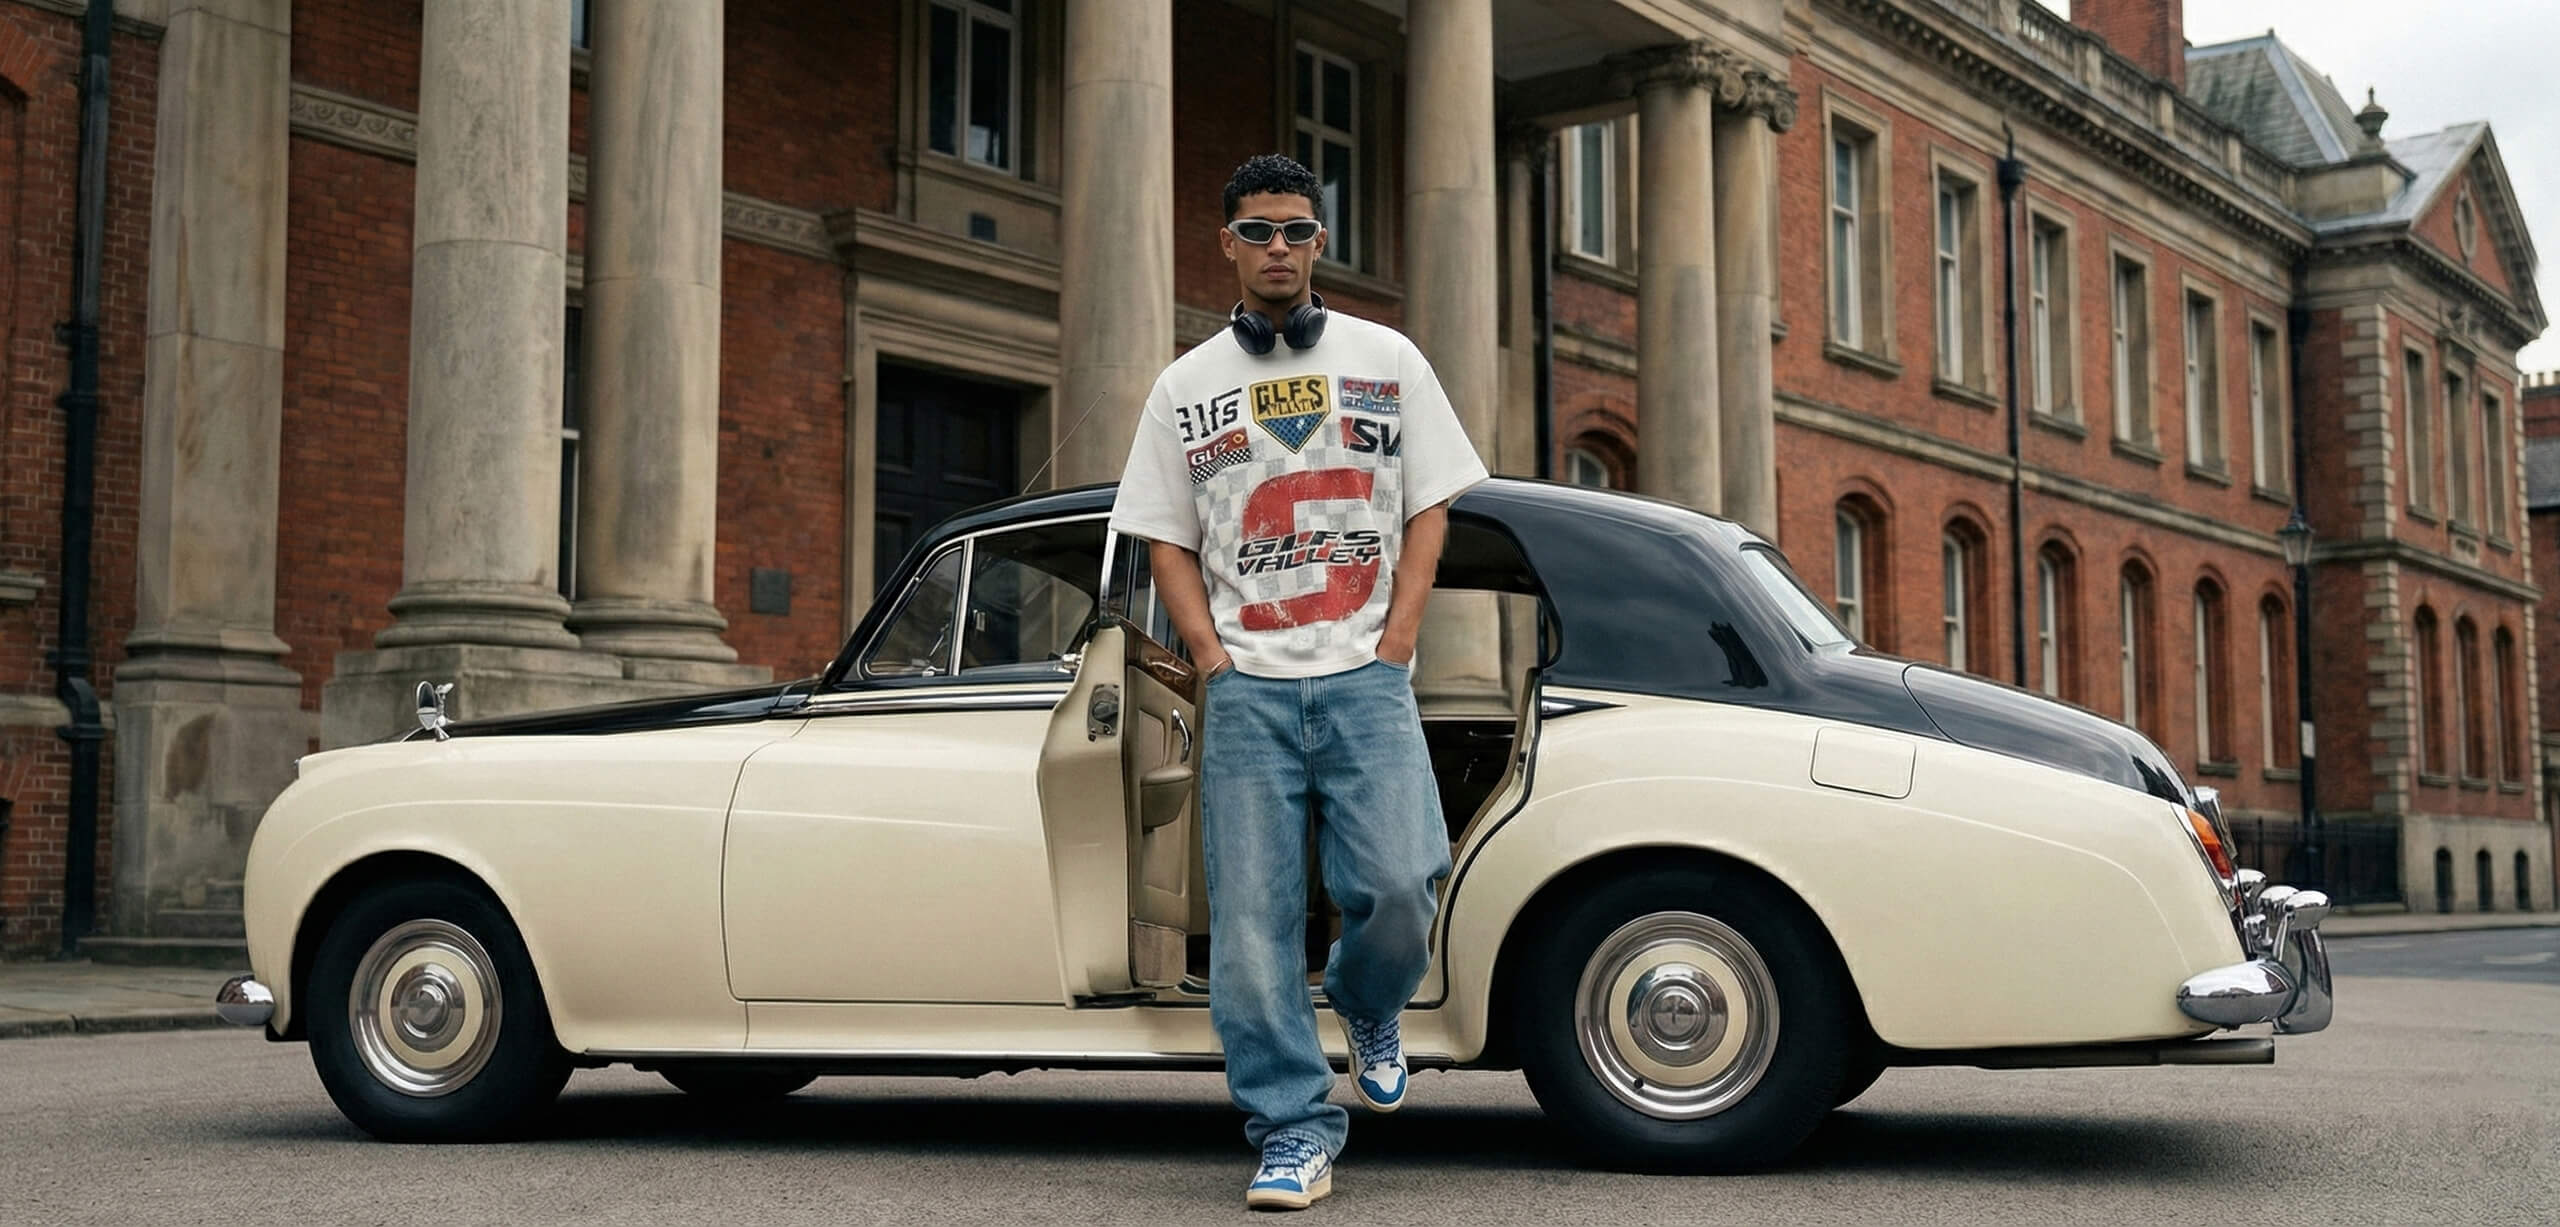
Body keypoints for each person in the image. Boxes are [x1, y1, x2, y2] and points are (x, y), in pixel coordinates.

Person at [1109, 153, 1488, 1211]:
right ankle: (1289, 1127)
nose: (1279, 248)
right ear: (1224, 244)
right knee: (1250, 928)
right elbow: (1163, 539)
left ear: (1321, 243)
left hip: (1367, 674)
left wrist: (1400, 639)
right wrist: (1210, 656)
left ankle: (1368, 1001)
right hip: (1248, 691)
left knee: (1405, 881)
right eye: (1259, 231)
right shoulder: (1183, 385)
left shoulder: (1389, 356)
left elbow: (1430, 505)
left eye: (1297, 230)